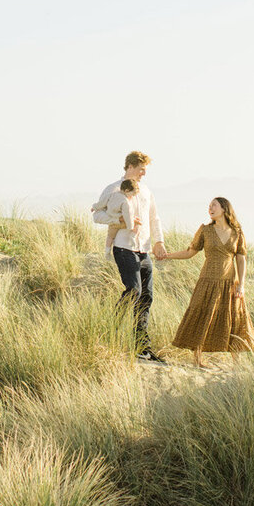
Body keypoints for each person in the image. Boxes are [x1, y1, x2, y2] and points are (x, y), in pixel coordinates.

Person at [158, 196, 254, 368]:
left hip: (229, 283)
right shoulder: (205, 230)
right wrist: (168, 256)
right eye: (209, 206)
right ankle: (197, 360)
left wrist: (241, 284)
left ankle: (237, 362)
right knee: (201, 315)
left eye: (214, 205)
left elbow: (241, 260)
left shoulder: (237, 233)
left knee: (233, 318)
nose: (210, 208)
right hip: (207, 281)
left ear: (224, 209)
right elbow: (190, 252)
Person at [91, 150, 167, 362]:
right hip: (123, 247)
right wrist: (119, 221)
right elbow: (97, 215)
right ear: (131, 166)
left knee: (146, 296)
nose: (144, 174)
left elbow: (155, 218)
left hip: (144, 249)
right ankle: (112, 331)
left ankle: (142, 348)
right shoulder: (113, 188)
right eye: (142, 169)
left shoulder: (146, 191)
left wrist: (159, 241)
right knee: (133, 290)